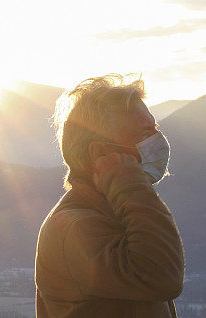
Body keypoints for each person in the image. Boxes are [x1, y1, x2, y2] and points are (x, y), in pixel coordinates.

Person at [35, 74, 185, 317]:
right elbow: (162, 276)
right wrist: (132, 186)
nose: (158, 142)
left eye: (155, 130)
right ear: (100, 152)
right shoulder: (74, 227)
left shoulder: (117, 212)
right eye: (144, 134)